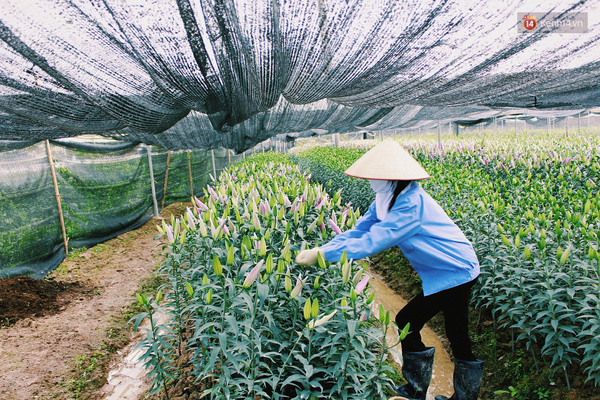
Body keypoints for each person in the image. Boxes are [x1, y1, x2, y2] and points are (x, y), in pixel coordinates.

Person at [295, 139, 484, 400]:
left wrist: (325, 255)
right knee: (429, 325)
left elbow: (378, 238)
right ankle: (419, 390)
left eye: (377, 175)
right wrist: (326, 248)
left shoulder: (411, 203)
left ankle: (426, 392)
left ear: (393, 177)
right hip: (441, 270)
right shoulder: (386, 198)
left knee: (434, 326)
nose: (372, 180)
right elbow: (361, 230)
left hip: (455, 269)